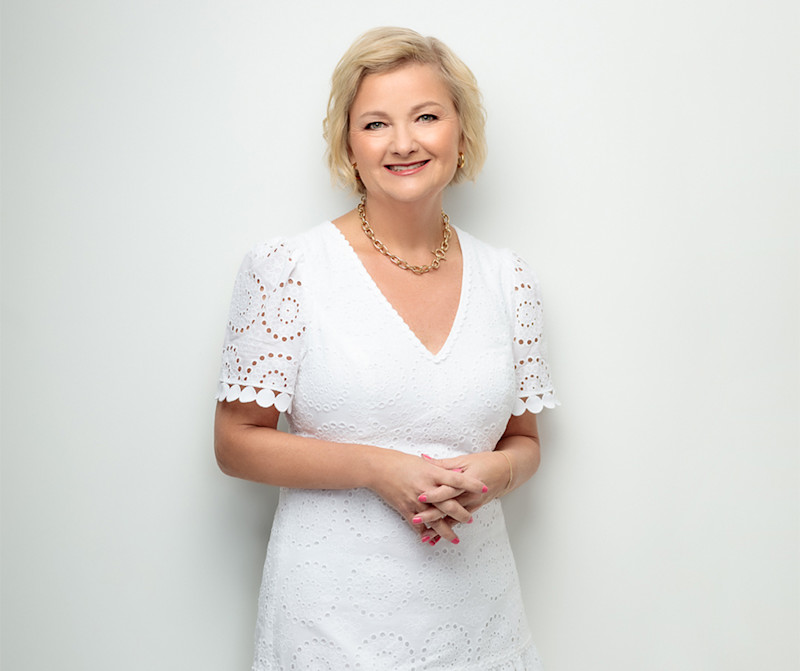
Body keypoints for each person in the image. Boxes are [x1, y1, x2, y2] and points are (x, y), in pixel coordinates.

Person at [214, 26, 558, 670]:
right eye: (376, 124)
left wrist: (497, 474)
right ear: (349, 143)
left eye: (426, 116)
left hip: (479, 623)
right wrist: (380, 470)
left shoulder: (508, 279)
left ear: (461, 132)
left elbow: (524, 441)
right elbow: (235, 443)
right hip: (330, 626)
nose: (403, 143)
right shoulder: (287, 269)